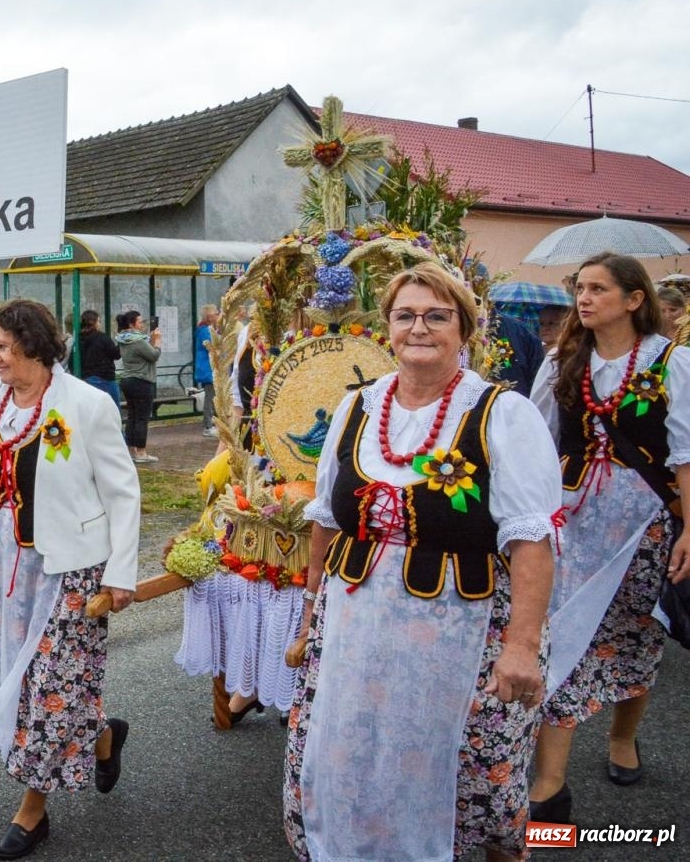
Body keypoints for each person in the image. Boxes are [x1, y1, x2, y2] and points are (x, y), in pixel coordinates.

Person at [284, 262, 558, 862]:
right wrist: (308, 612)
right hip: (354, 627)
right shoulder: (356, 407)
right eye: (405, 315)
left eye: (438, 315)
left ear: (465, 329)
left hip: (464, 629)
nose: (419, 327)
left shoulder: (502, 414)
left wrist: (522, 646)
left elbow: (532, 540)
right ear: (387, 327)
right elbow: (327, 522)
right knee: (353, 754)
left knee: (474, 780)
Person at [0, 298, 141, 860]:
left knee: (52, 685)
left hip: (70, 566)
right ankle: (103, 735)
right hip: (2, 559)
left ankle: (33, 811)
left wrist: (120, 575)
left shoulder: (86, 405)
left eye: (1, 347)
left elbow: (123, 491)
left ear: (33, 346)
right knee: (18, 670)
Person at [528, 253, 690, 822]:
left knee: (635, 640)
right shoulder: (560, 362)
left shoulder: (672, 363)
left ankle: (624, 736)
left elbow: (687, 456)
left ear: (634, 298)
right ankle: (548, 791)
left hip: (643, 526)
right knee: (561, 641)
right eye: (581, 288)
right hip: (571, 522)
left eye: (598, 288)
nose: (584, 298)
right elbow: (537, 443)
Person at [114, 310, 162, 464]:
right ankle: (141, 452)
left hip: (128, 380)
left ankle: (131, 450)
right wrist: (158, 342)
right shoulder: (138, 341)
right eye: (140, 322)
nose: (142, 325)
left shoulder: (123, 339)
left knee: (133, 417)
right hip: (141, 381)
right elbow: (153, 355)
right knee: (142, 417)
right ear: (131, 324)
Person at [75, 309, 122, 407]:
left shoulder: (79, 339)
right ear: (94, 323)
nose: (100, 324)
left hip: (87, 379)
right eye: (99, 321)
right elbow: (116, 354)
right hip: (105, 379)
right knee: (113, 410)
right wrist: (121, 341)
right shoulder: (102, 337)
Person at [194, 305, 218, 435]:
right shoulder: (205, 330)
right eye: (216, 313)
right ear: (209, 317)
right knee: (210, 397)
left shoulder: (205, 329)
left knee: (212, 396)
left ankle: (211, 423)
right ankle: (208, 426)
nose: (217, 315)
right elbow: (212, 346)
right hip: (207, 368)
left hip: (207, 367)